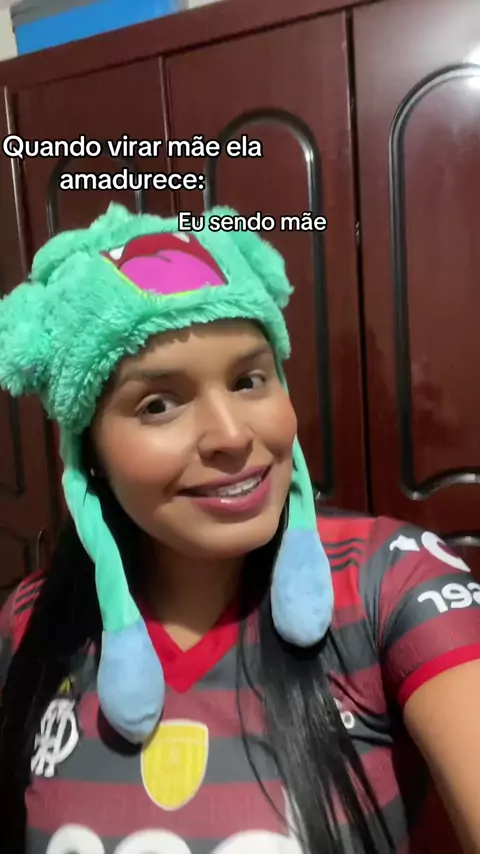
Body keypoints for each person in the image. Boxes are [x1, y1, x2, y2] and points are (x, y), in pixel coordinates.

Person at [0, 204, 479, 854]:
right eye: (158, 404)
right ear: (91, 453)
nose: (231, 436)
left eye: (250, 380)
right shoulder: (29, 622)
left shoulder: (393, 581)